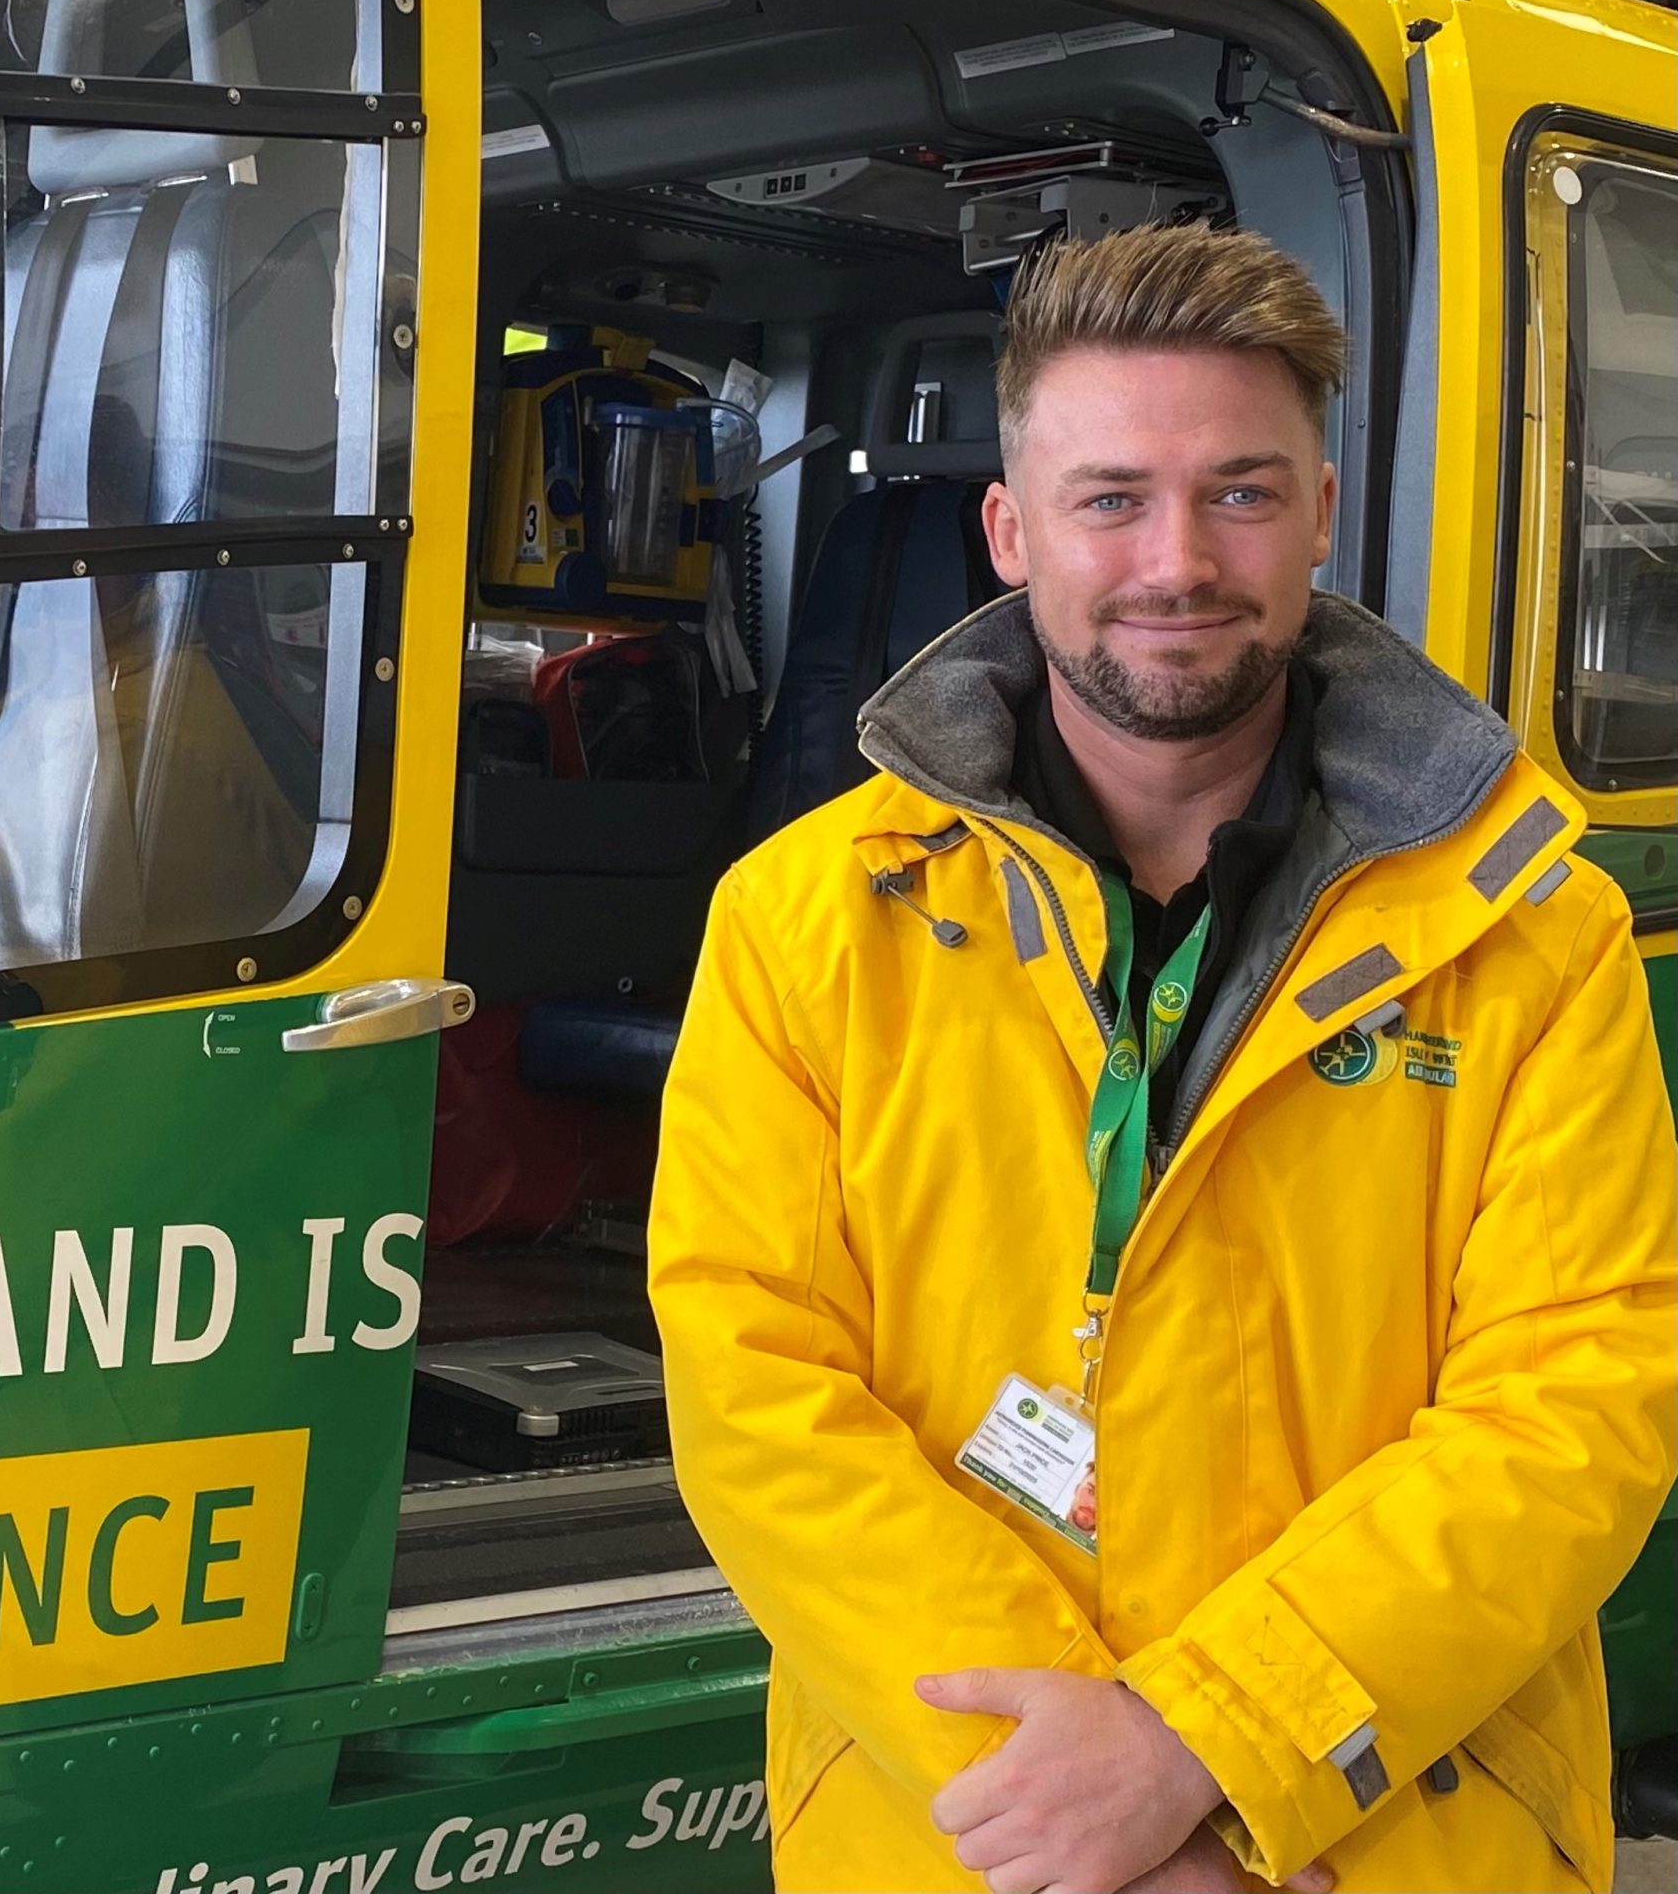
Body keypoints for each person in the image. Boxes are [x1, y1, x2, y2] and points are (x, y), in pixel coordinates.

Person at [649, 222, 1676, 1893]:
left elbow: (1580, 1409)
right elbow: (757, 1391)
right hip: (969, 1841)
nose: (1177, 559)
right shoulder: (807, 921)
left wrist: (1212, 1749)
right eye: (1111, 497)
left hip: (1385, 1835)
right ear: (1010, 533)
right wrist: (1076, 1808)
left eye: (1243, 492)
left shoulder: (1532, 939)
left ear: (1322, 517)